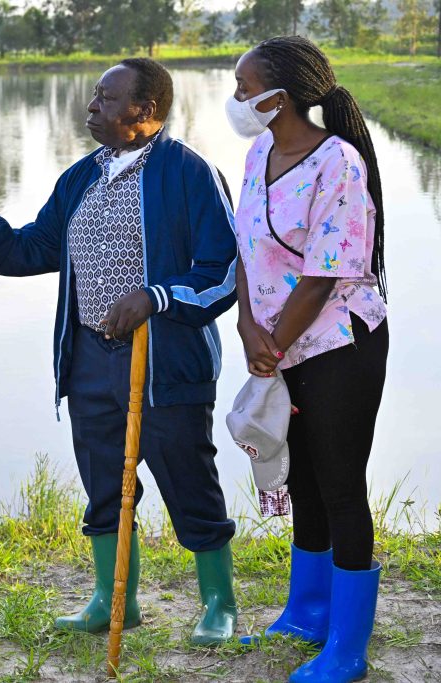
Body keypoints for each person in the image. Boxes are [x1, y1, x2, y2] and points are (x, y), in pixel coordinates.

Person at [0, 58, 240, 644]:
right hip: (90, 360)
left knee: (189, 481)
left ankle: (219, 603)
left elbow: (225, 273)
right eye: (95, 96)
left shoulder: (189, 173)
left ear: (144, 111)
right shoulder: (79, 178)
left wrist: (157, 297)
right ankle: (111, 599)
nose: (92, 107)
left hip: (166, 365)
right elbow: (29, 251)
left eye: (106, 98)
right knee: (104, 487)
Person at [227, 36, 389, 683]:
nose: (237, 101)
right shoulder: (257, 152)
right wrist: (246, 323)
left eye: (244, 89)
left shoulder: (338, 163)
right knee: (302, 481)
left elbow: (326, 273)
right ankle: (307, 611)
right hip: (276, 345)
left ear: (279, 97)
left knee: (342, 486)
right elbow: (245, 244)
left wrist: (274, 343)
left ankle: (347, 648)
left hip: (338, 345)